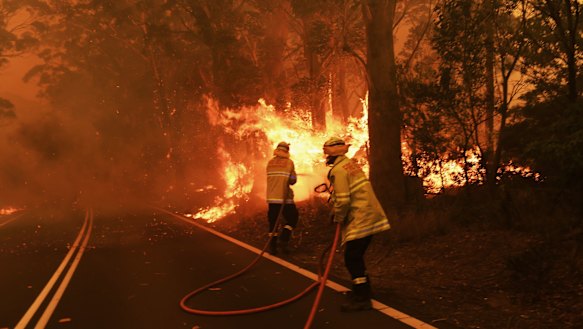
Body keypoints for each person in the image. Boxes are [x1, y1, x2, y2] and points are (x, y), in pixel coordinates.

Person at [322, 136, 391, 312]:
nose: (325, 157)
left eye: (327, 154)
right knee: (355, 256)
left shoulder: (338, 170)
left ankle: (362, 298)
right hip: (368, 213)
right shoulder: (350, 164)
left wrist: (338, 216)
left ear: (332, 154)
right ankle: (362, 290)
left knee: (352, 258)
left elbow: (344, 201)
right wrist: (335, 212)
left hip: (361, 217)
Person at [266, 141, 299, 255]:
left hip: (272, 198)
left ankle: (273, 248)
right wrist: (294, 175)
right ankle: (284, 239)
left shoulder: (270, 163)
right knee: (292, 218)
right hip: (285, 198)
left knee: (273, 222)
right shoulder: (289, 163)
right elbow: (293, 180)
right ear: (287, 151)